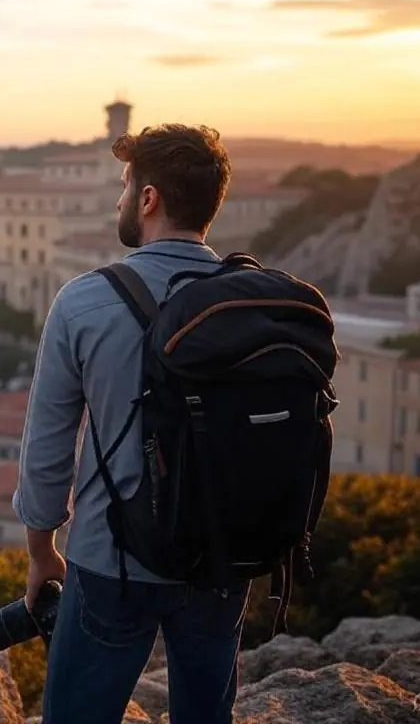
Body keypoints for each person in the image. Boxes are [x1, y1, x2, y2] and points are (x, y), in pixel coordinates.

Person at [13, 124, 250, 723]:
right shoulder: (249, 305)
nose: (119, 201)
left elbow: (47, 444)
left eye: (124, 188)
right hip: (223, 557)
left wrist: (43, 548)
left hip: (110, 557)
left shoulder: (83, 302)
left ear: (149, 200)